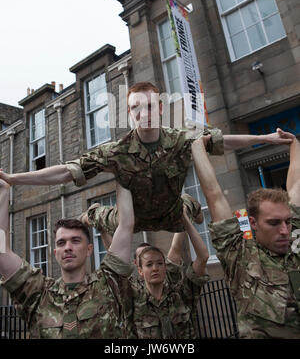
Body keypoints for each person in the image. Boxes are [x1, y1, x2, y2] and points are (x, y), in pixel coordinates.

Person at [0, 82, 294, 233]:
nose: (144, 114)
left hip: (170, 214)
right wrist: (14, 178)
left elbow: (221, 141)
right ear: (129, 113)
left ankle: (189, 206)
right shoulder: (116, 151)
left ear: (161, 108)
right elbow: (66, 172)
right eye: (136, 108)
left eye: (150, 106)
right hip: (132, 220)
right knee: (102, 215)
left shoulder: (180, 140)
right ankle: (93, 214)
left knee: (188, 208)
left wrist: (265, 138)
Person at [191, 129, 300, 339]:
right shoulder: (240, 253)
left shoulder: (294, 236)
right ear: (253, 223)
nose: (285, 230)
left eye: (287, 221)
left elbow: (295, 187)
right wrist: (198, 146)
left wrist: (294, 144)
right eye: (273, 223)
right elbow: (214, 195)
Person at [0, 181, 137, 339]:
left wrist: (120, 168)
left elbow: (126, 224)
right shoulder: (39, 293)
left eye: (76, 241)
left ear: (89, 249)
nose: (68, 247)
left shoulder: (109, 284)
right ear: (55, 252)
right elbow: (1, 251)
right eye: (61, 243)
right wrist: (4, 191)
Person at [131, 206, 210, 339]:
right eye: (149, 265)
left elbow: (203, 257)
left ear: (165, 267)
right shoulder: (133, 301)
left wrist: (185, 220)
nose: (155, 268)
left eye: (160, 263)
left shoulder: (180, 294)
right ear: (140, 270)